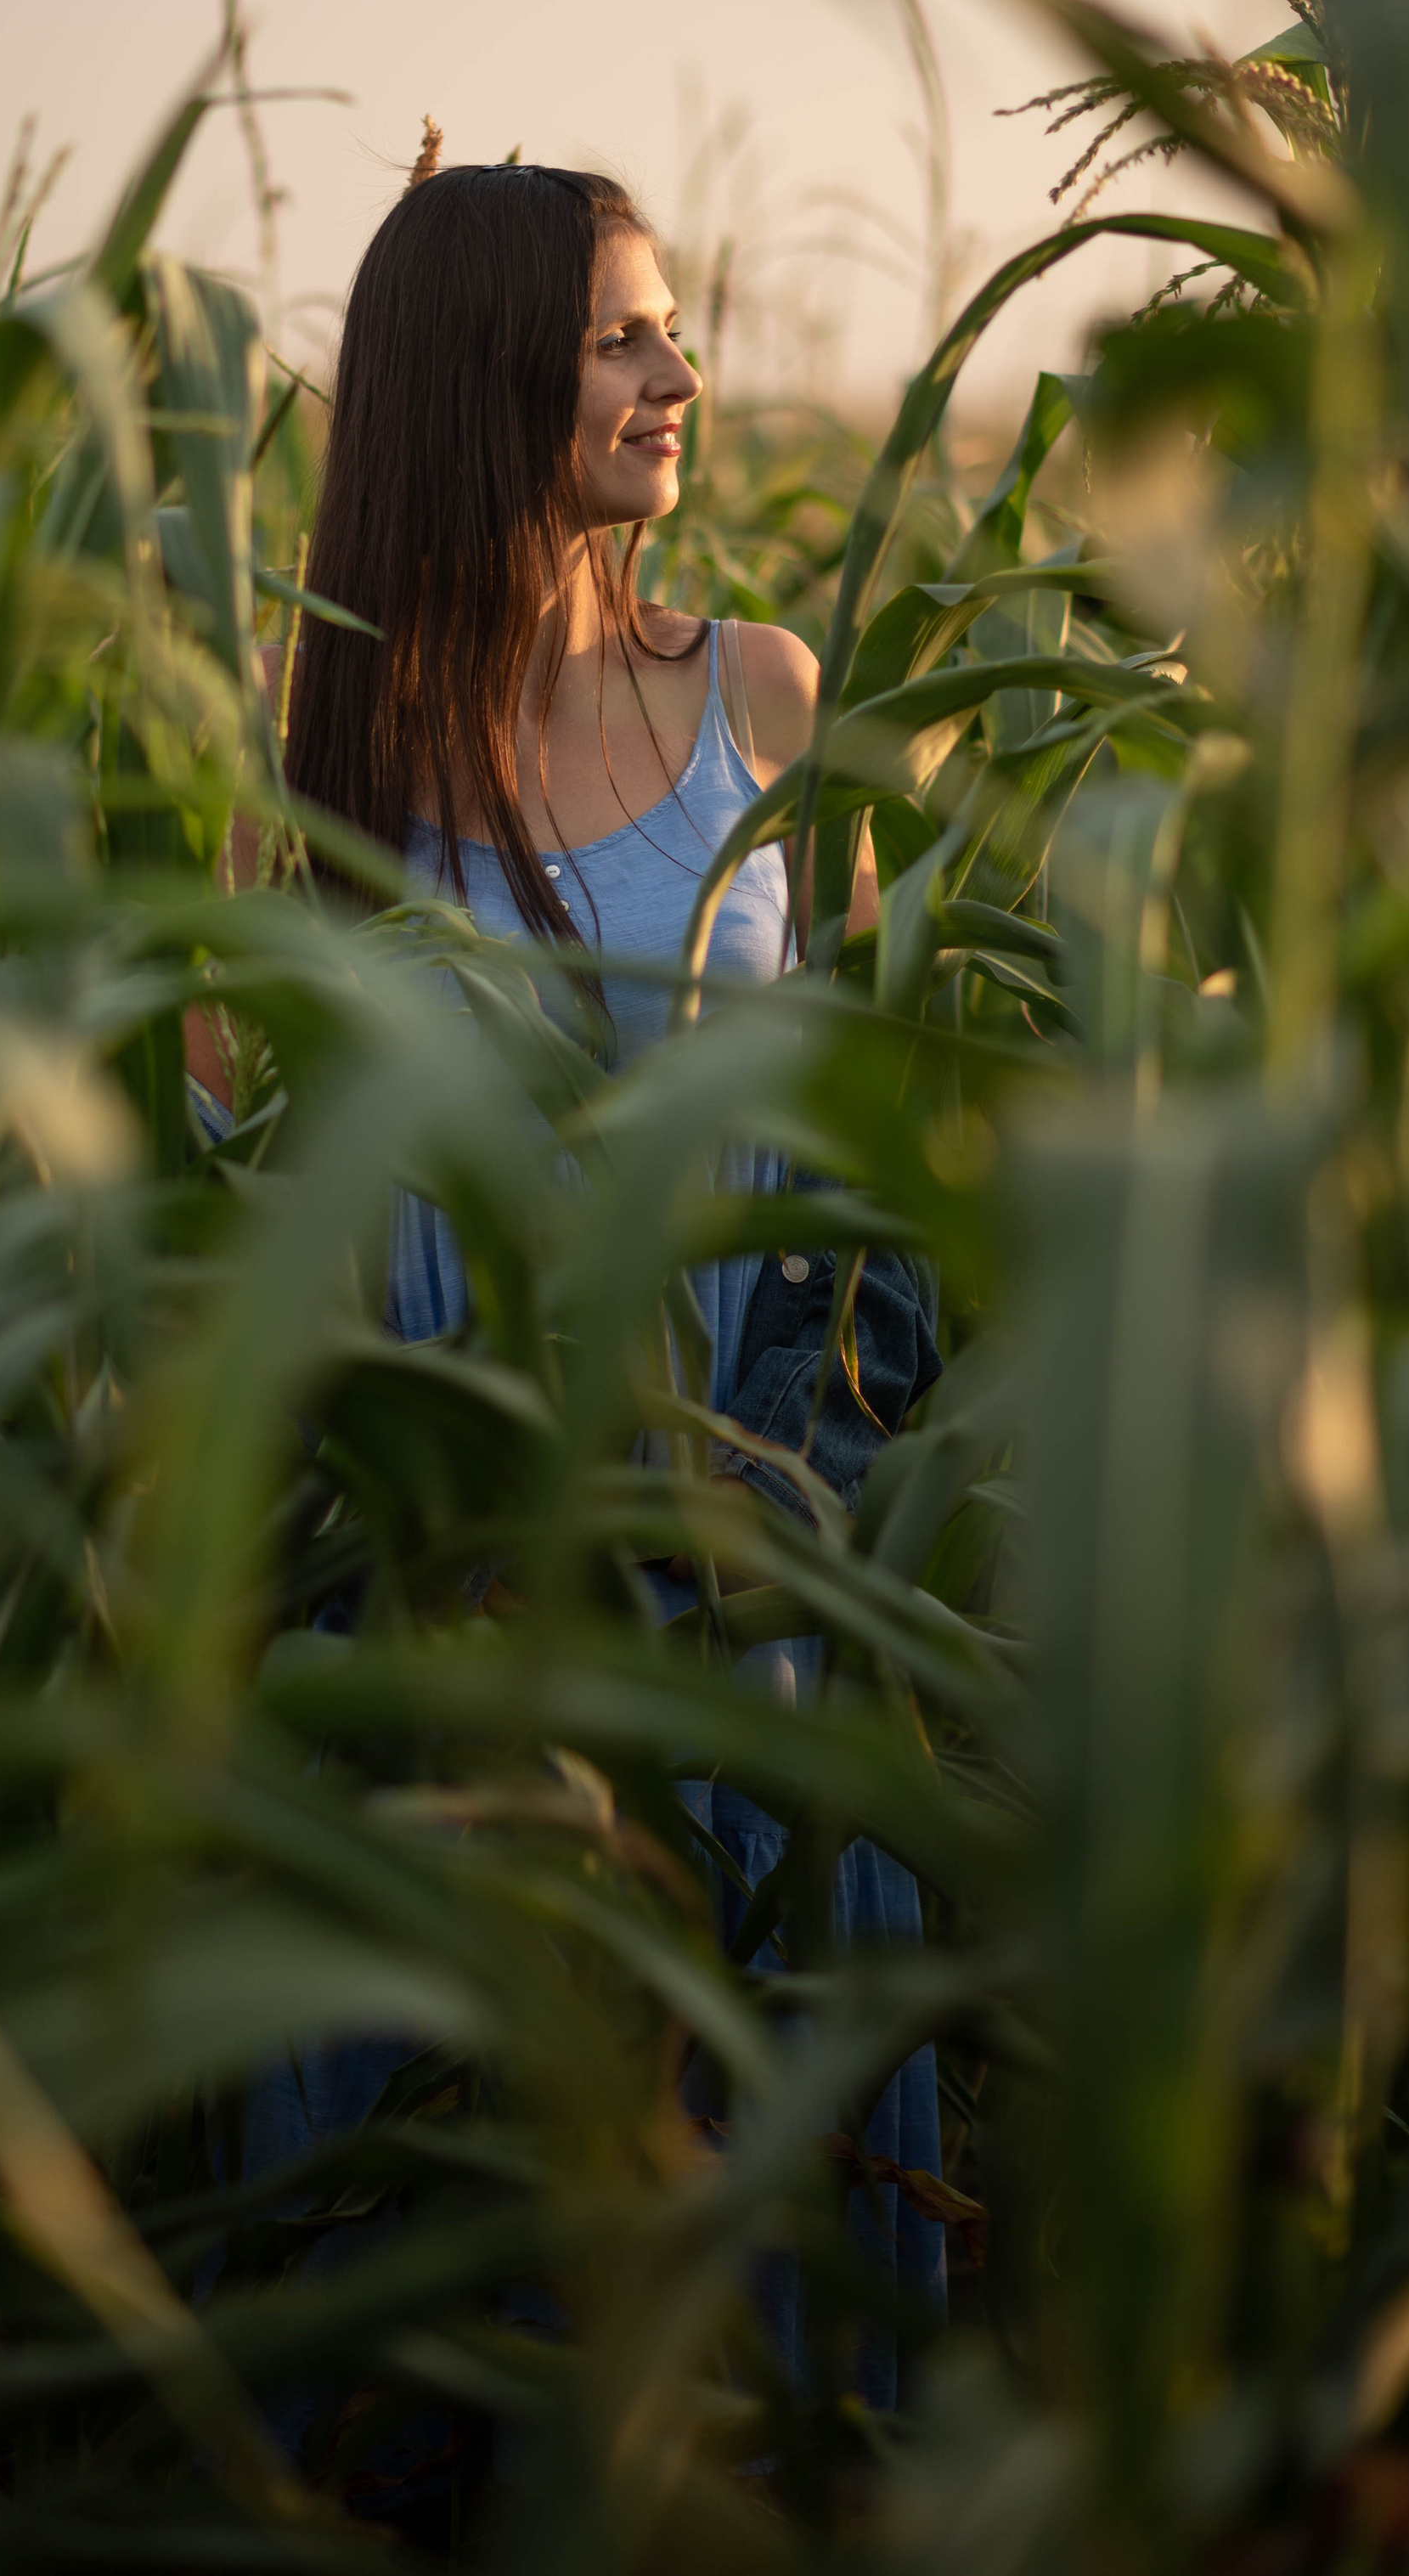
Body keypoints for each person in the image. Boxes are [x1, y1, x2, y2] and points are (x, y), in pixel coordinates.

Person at [185, 155, 945, 2472]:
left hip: (738, 1624)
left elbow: (866, 1203)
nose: (677, 373)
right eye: (623, 334)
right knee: (431, 2305)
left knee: (759, 2327)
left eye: (673, 325)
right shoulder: (312, 789)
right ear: (483, 370)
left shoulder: (766, 704)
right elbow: (246, 1234)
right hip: (432, 1651)